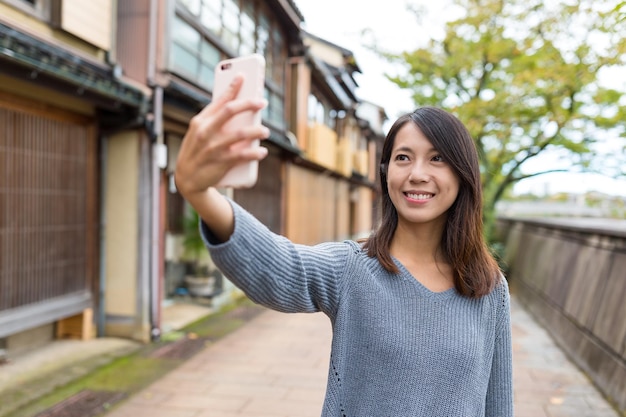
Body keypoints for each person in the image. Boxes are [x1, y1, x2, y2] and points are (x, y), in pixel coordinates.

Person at [174, 75, 513, 417]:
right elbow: (281, 266)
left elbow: (499, 405)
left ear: (463, 174)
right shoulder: (353, 267)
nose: (417, 174)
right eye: (403, 158)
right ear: (386, 172)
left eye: (437, 159)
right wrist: (200, 193)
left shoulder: (489, 288)